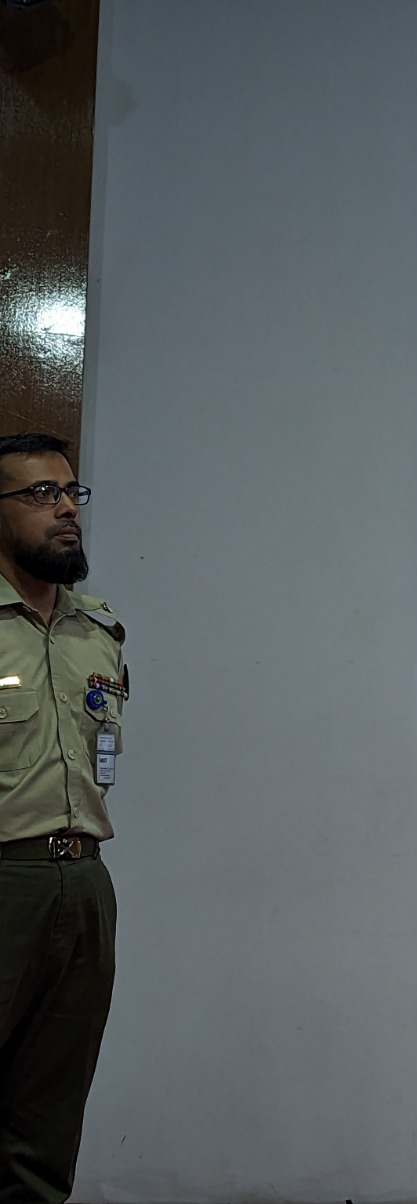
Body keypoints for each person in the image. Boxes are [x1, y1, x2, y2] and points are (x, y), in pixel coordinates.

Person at [0, 433, 128, 1204]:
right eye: (40, 495)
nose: (65, 510)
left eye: (71, 493)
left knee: (47, 1126)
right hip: (6, 876)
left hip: (82, 882)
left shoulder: (98, 632)